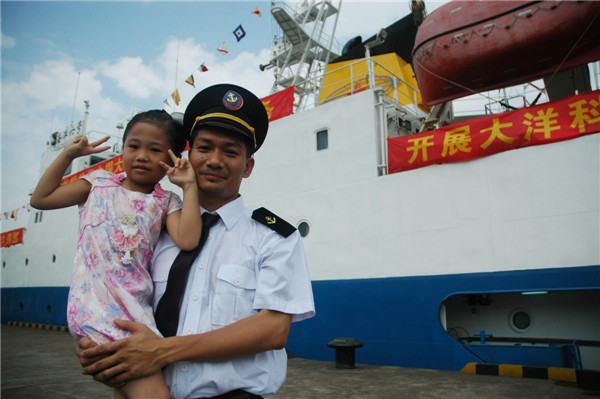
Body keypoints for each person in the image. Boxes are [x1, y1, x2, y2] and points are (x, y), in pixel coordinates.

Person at [77, 84, 315, 399]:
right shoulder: (152, 229)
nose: (214, 160)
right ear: (188, 155)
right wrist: (104, 346)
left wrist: (163, 351)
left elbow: (273, 329)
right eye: (204, 148)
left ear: (248, 166)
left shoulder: (273, 237)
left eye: (231, 152)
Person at [30, 110, 203, 399]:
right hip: (98, 311)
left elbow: (188, 239)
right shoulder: (96, 185)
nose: (142, 156)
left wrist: (189, 185)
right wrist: (67, 155)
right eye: (133, 146)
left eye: (155, 150)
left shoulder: (166, 201)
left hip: (137, 312)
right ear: (122, 148)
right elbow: (41, 199)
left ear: (172, 157)